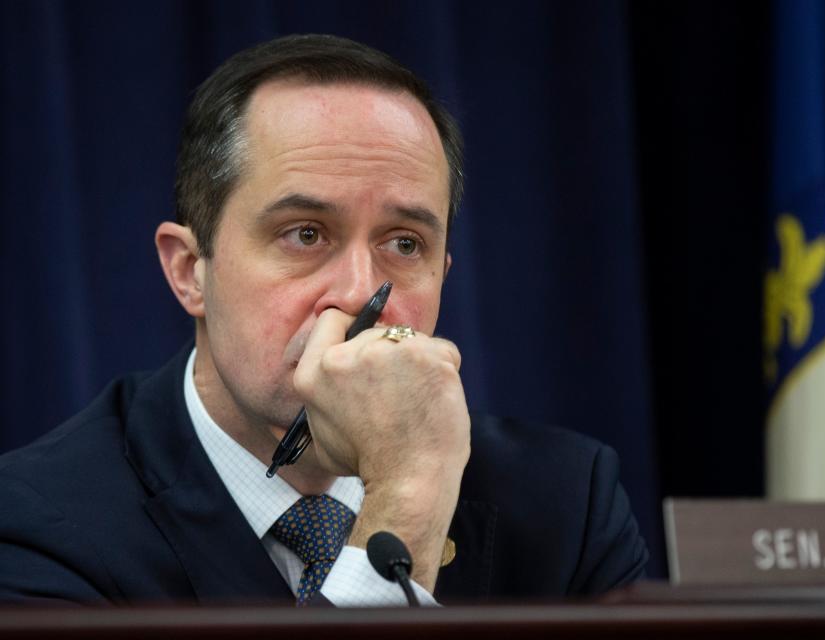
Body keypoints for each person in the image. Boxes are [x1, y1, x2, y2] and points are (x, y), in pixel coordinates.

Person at [0, 34, 647, 605]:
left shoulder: (569, 503)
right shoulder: (38, 522)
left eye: (404, 243)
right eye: (305, 233)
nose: (361, 294)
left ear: (444, 277)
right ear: (189, 269)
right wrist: (405, 504)